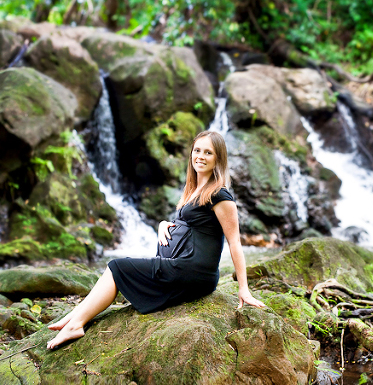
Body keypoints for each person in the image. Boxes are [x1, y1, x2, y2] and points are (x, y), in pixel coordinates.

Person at [46, 130, 265, 349]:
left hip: (194, 271)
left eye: (208, 152)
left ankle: (76, 323)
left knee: (117, 267)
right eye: (197, 150)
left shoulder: (220, 194)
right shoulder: (194, 190)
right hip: (185, 266)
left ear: (218, 158)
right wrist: (162, 225)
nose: (200, 156)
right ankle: (75, 316)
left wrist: (243, 289)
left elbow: (234, 242)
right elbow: (188, 225)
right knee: (118, 269)